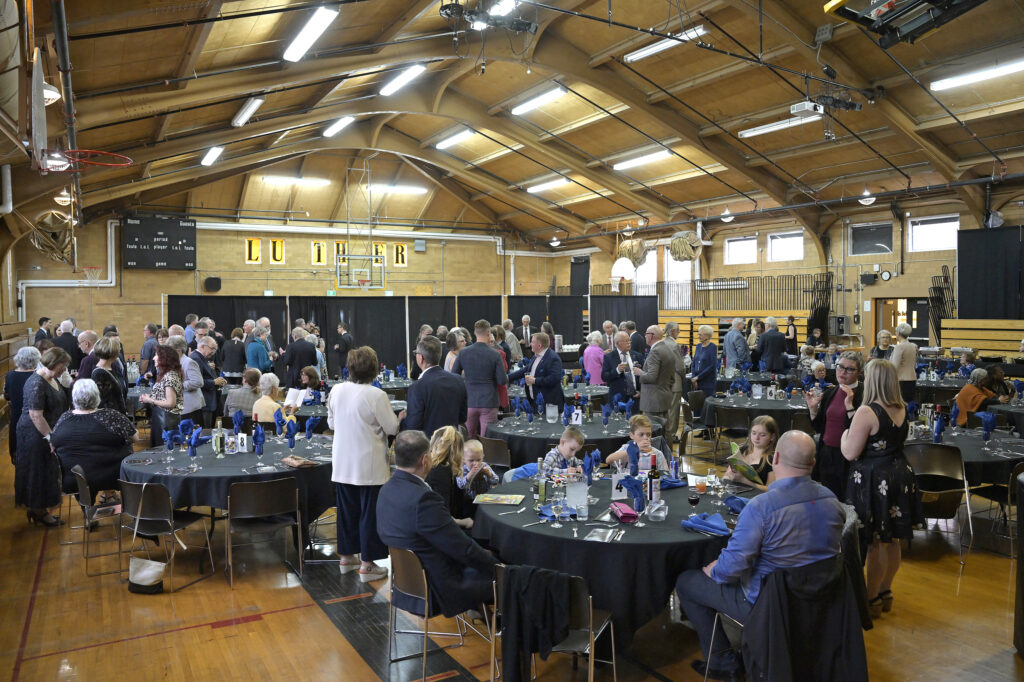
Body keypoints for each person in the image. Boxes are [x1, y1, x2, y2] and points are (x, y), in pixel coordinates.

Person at [676, 431, 846, 681]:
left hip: (770, 606)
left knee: (687, 582)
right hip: (820, 600)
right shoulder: (833, 502)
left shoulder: (762, 508)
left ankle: (723, 662)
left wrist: (711, 569)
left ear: (775, 458)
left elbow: (731, 568)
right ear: (813, 463)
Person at [376, 430, 498, 617]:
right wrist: (499, 568)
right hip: (438, 589)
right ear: (425, 460)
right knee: (515, 579)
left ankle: (484, 612)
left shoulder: (386, 489)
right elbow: (461, 548)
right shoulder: (423, 499)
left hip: (405, 585)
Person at [841, 359, 923, 618]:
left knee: (876, 541)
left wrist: (845, 434)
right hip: (900, 475)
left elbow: (850, 452)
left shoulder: (868, 411)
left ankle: (871, 597)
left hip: (875, 480)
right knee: (893, 539)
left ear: (872, 381)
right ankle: (886, 592)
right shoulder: (900, 407)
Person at [329, 346, 404, 582]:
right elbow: (391, 428)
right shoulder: (376, 395)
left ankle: (347, 557)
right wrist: (400, 418)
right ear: (373, 368)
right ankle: (368, 564)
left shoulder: (337, 390)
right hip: (369, 464)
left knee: (347, 512)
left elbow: (331, 424)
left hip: (342, 462)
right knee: (369, 514)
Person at [51, 379, 138, 504]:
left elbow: (53, 443)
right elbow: (135, 438)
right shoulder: (111, 416)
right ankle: (109, 494)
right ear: (97, 396)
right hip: (111, 476)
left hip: (74, 478)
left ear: (74, 397)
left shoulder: (65, 417)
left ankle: (88, 506)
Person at [14, 347, 71, 526]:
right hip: (34, 434)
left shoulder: (51, 378)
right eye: (63, 366)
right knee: (38, 472)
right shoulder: (36, 382)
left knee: (48, 471)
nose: (64, 369)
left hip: (46, 431)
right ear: (53, 363)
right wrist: (51, 438)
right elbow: (35, 415)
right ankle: (39, 511)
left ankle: (39, 510)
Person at [804, 351, 864, 498]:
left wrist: (850, 405)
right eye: (840, 367)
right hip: (827, 454)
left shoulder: (864, 394)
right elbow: (820, 428)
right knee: (829, 499)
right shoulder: (831, 392)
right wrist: (813, 409)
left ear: (859, 373)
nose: (843, 372)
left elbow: (860, 430)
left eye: (849, 369)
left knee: (848, 501)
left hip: (849, 457)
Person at [452, 320, 508, 440]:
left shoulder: (463, 353)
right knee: (487, 440)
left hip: (469, 401)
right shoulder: (495, 354)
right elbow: (502, 380)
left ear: (474, 333)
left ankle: (468, 460)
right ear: (488, 333)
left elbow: (454, 375)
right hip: (489, 402)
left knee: (468, 439)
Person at [403, 335, 468, 438]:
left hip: (429, 447)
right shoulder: (458, 380)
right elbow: (462, 417)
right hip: (453, 445)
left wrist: (402, 420)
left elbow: (413, 427)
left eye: (416, 353)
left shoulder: (417, 387)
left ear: (421, 358)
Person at [425, 426, 474, 526]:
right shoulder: (440, 472)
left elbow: (461, 498)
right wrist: (464, 522)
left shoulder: (446, 468)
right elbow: (442, 515)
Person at [507, 332, 564, 410]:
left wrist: (535, 380)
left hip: (548, 403)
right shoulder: (536, 356)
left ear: (539, 345)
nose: (530, 344)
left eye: (532, 342)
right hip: (535, 401)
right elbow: (525, 370)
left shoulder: (553, 358)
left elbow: (554, 378)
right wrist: (507, 377)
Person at [138, 345, 184, 439]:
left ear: (164, 359)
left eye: (156, 355)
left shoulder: (170, 376)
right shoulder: (165, 374)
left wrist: (150, 400)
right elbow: (163, 396)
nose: (153, 358)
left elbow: (170, 403)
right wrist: (149, 397)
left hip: (167, 420)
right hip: (162, 418)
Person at [4, 346, 41, 464]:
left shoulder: (10, 375)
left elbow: (7, 396)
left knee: (18, 455)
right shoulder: (38, 376)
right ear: (36, 360)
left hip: (16, 418)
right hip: (35, 419)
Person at [723, 415, 778, 492]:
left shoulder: (771, 459)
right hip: (735, 491)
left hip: (755, 498)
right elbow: (726, 476)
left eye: (762, 435)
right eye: (754, 433)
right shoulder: (743, 450)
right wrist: (729, 476)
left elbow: (770, 490)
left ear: (772, 437)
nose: (756, 438)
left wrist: (744, 480)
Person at [605, 414, 670, 472]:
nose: (646, 438)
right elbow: (608, 460)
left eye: (648, 434)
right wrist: (633, 450)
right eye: (641, 434)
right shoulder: (626, 448)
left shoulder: (657, 453)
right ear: (631, 435)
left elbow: (665, 474)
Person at [638, 325, 675, 420]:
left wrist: (639, 373)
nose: (645, 336)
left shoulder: (655, 352)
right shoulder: (667, 349)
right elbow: (672, 377)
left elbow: (651, 377)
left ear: (651, 335)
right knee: (665, 431)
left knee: (654, 431)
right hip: (664, 397)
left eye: (646, 334)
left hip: (653, 401)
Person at [168, 335, 205, 423]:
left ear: (179, 350)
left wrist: (178, 385)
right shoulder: (173, 362)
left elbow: (198, 382)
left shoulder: (189, 362)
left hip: (190, 408)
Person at [191, 336, 226, 427]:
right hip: (204, 402)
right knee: (206, 431)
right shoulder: (196, 359)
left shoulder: (202, 358)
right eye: (212, 349)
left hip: (209, 401)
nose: (214, 352)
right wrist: (214, 382)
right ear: (202, 346)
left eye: (215, 349)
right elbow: (197, 382)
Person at [91, 336, 128, 413]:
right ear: (114, 353)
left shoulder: (109, 369)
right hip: (110, 418)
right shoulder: (100, 373)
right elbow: (103, 402)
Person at [601, 331, 642, 401]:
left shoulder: (637, 355)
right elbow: (604, 377)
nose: (629, 342)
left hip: (635, 398)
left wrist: (641, 391)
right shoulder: (609, 357)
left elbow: (644, 375)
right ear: (617, 343)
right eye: (626, 341)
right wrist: (617, 370)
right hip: (617, 398)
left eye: (629, 340)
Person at [889, 322, 917, 403]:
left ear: (898, 333)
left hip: (901, 379)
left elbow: (894, 366)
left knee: (901, 405)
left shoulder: (899, 347)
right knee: (909, 404)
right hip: (912, 378)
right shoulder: (913, 346)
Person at [690, 324, 718, 397]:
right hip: (696, 382)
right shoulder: (698, 346)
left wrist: (698, 377)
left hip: (707, 382)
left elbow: (712, 365)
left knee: (705, 406)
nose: (698, 336)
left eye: (700, 335)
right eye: (698, 334)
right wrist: (694, 378)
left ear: (707, 336)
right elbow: (693, 363)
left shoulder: (713, 347)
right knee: (697, 405)